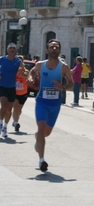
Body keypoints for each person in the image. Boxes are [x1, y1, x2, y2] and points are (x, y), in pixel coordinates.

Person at [26, 39, 73, 171]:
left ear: (59, 51)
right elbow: (33, 71)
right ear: (47, 50)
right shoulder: (41, 64)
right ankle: (41, 161)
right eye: (51, 47)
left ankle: (38, 138)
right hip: (41, 102)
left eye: (56, 47)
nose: (54, 49)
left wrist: (62, 87)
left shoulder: (64, 67)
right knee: (41, 129)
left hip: (55, 104)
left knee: (46, 133)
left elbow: (71, 83)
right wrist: (31, 77)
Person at [0, 43, 26, 138]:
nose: (12, 50)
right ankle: (0, 123)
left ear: (15, 51)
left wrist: (23, 72)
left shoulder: (18, 61)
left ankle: (5, 127)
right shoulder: (2, 59)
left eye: (13, 48)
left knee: (9, 110)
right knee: (4, 106)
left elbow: (23, 72)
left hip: (12, 88)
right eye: (10, 48)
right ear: (7, 50)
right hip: (2, 86)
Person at [12, 55, 30, 132]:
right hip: (14, 92)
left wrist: (21, 71)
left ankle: (15, 121)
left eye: (20, 61)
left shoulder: (26, 71)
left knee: (19, 110)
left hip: (23, 92)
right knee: (16, 108)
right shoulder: (12, 70)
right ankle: (16, 123)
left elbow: (26, 76)